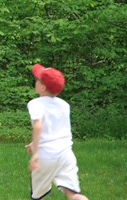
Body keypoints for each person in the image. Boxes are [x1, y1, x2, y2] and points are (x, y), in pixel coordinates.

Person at [26, 64, 89, 200]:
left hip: (45, 156)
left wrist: (35, 154)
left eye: (37, 79)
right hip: (66, 155)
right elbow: (54, 129)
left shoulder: (35, 104)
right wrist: (34, 143)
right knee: (73, 194)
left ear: (42, 87)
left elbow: (38, 127)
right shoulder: (64, 105)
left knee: (37, 196)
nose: (35, 81)